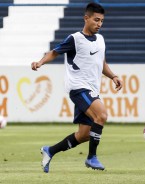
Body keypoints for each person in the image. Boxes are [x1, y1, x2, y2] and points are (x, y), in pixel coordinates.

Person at [31, 2, 123, 173]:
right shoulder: (75, 39)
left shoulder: (101, 40)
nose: (99, 24)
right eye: (96, 20)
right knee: (101, 115)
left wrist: (113, 76)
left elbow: (101, 63)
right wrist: (40, 62)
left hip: (92, 90)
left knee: (84, 135)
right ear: (86, 18)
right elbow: (54, 52)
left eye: (102, 21)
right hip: (78, 88)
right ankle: (91, 158)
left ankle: (49, 151)